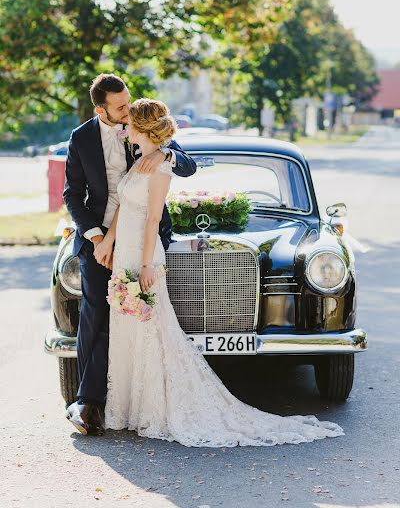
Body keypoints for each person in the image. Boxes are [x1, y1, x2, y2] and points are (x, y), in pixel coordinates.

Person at [100, 97, 344, 447]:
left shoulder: (162, 163)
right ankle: (127, 406)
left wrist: (145, 265)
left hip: (142, 250)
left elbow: (159, 208)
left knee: (152, 329)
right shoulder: (135, 157)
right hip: (125, 247)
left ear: (142, 126)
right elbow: (123, 205)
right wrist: (108, 240)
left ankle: (152, 405)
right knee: (129, 327)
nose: (125, 126)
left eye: (130, 122)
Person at [63, 74, 196, 435]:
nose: (127, 111)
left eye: (128, 101)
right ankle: (88, 402)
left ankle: (136, 399)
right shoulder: (81, 139)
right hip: (98, 239)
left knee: (134, 318)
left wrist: (167, 153)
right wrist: (97, 238)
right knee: (95, 315)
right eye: (119, 107)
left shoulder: (140, 124)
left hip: (140, 239)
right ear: (100, 108)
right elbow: (72, 195)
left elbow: (187, 163)